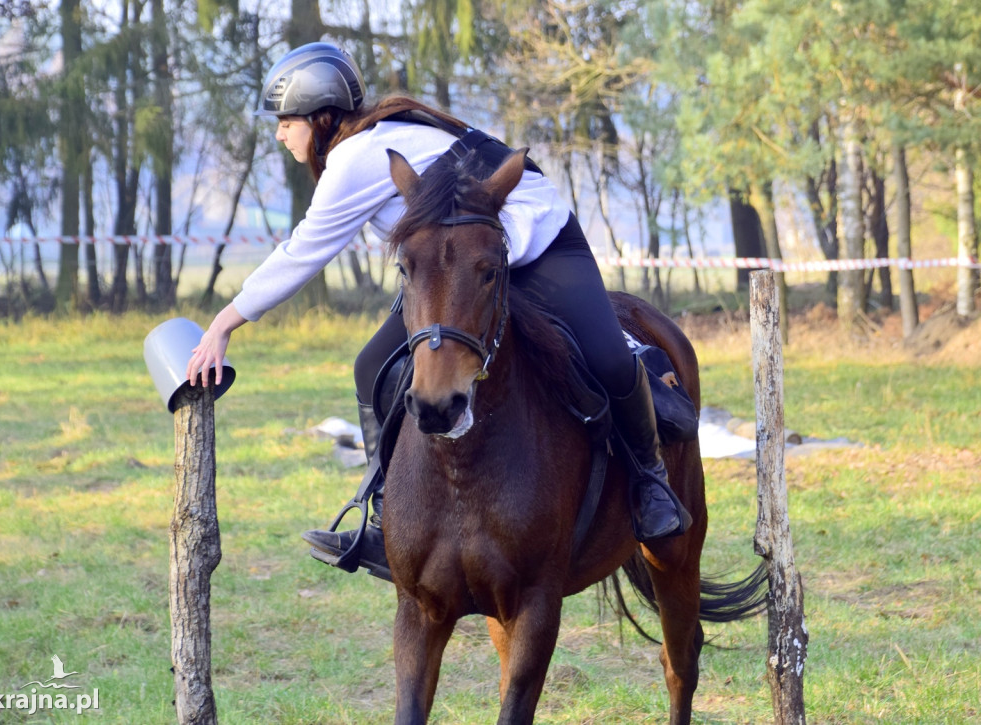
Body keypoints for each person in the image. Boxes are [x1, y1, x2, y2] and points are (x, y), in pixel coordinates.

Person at [186, 42, 687, 580]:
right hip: (454, 269)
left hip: (539, 243)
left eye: (286, 121)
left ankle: (650, 482)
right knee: (369, 368)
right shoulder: (370, 145)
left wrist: (222, 324)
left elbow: (300, 254)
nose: (281, 133)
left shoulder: (355, 160)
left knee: (608, 357)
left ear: (320, 116)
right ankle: (382, 522)